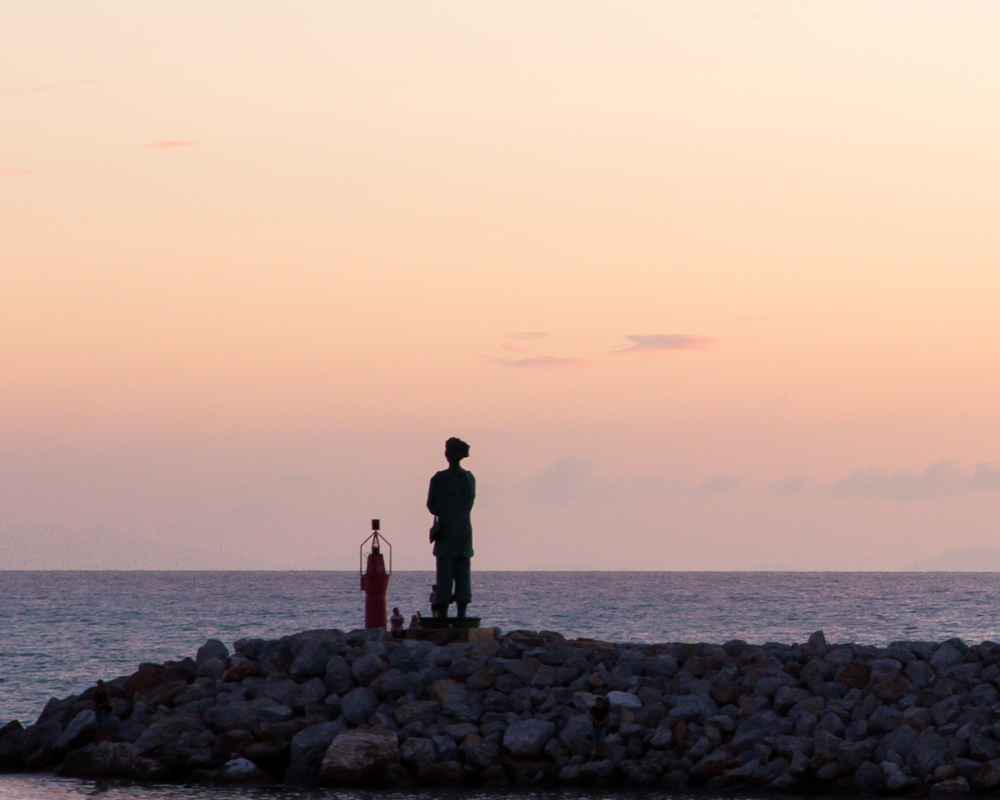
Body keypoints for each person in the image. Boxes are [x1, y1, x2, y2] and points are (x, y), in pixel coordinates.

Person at [426, 437, 475, 618]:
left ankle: (443, 615)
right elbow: (469, 503)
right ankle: (462, 615)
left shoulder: (438, 479)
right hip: (463, 530)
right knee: (463, 572)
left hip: (446, 531)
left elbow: (431, 506)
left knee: (445, 573)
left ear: (447, 455)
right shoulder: (469, 478)